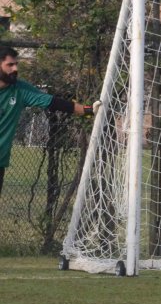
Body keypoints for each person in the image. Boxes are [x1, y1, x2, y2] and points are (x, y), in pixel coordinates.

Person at [0, 46, 97, 196]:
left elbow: (53, 102)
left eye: (16, 64)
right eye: (10, 65)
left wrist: (88, 110)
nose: (15, 69)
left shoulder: (20, 89)